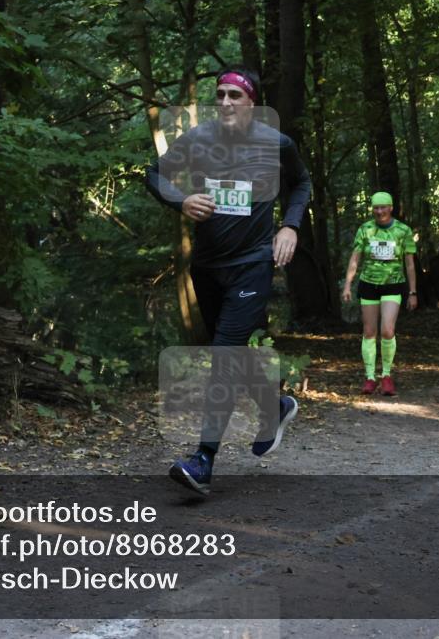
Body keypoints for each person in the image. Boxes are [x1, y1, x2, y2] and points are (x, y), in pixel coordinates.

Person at [145, 66, 310, 495]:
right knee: (230, 353)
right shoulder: (199, 140)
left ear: (251, 102)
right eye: (219, 94)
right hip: (207, 265)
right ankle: (274, 407)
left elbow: (302, 184)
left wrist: (289, 226)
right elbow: (153, 174)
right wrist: (182, 200)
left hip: (253, 264)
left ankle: (203, 459)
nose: (224, 102)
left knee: (223, 357)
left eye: (234, 96)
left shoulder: (276, 144)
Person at [341, 192, 418, 397]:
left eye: (383, 207)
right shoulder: (365, 229)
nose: (379, 211)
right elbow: (355, 259)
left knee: (387, 330)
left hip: (394, 285)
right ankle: (369, 377)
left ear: (391, 207)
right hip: (369, 284)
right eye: (376, 207)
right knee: (368, 332)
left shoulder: (403, 230)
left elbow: (410, 264)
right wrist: (348, 285)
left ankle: (386, 375)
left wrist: (413, 292)